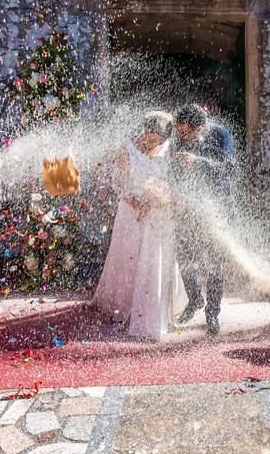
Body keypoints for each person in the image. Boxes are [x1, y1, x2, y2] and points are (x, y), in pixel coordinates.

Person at [90, 112, 184, 340]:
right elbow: (119, 184)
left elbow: (173, 180)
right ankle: (124, 307)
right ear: (147, 131)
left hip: (159, 214)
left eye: (161, 140)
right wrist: (137, 202)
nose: (157, 143)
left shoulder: (168, 148)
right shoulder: (126, 148)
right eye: (155, 138)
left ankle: (156, 309)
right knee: (129, 257)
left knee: (155, 261)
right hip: (131, 213)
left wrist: (163, 198)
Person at [171, 103, 235, 334]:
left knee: (215, 264)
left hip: (217, 212)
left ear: (199, 128)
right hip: (188, 210)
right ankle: (195, 298)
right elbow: (172, 171)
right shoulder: (179, 139)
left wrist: (197, 162)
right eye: (179, 131)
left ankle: (213, 312)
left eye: (185, 131)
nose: (181, 135)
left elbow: (228, 167)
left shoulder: (220, 135)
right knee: (185, 257)